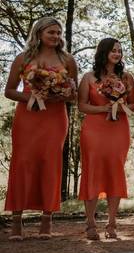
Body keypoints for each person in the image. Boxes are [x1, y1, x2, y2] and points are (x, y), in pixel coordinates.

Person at [4, 17, 78, 240]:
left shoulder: (67, 59)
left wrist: (61, 94)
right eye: (51, 33)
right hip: (27, 118)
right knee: (22, 163)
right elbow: (9, 91)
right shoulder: (23, 58)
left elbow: (74, 94)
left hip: (55, 119)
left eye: (58, 33)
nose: (56, 37)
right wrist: (32, 95)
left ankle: (47, 220)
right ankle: (17, 222)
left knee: (50, 162)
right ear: (38, 34)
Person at [78, 37, 134, 240]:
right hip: (94, 129)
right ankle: (90, 223)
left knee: (115, 171)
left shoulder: (127, 77)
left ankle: (112, 223)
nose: (117, 53)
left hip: (118, 129)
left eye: (119, 50)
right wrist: (103, 108)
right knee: (92, 171)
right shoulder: (88, 78)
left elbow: (133, 106)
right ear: (103, 52)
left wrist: (118, 106)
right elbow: (82, 105)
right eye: (113, 50)